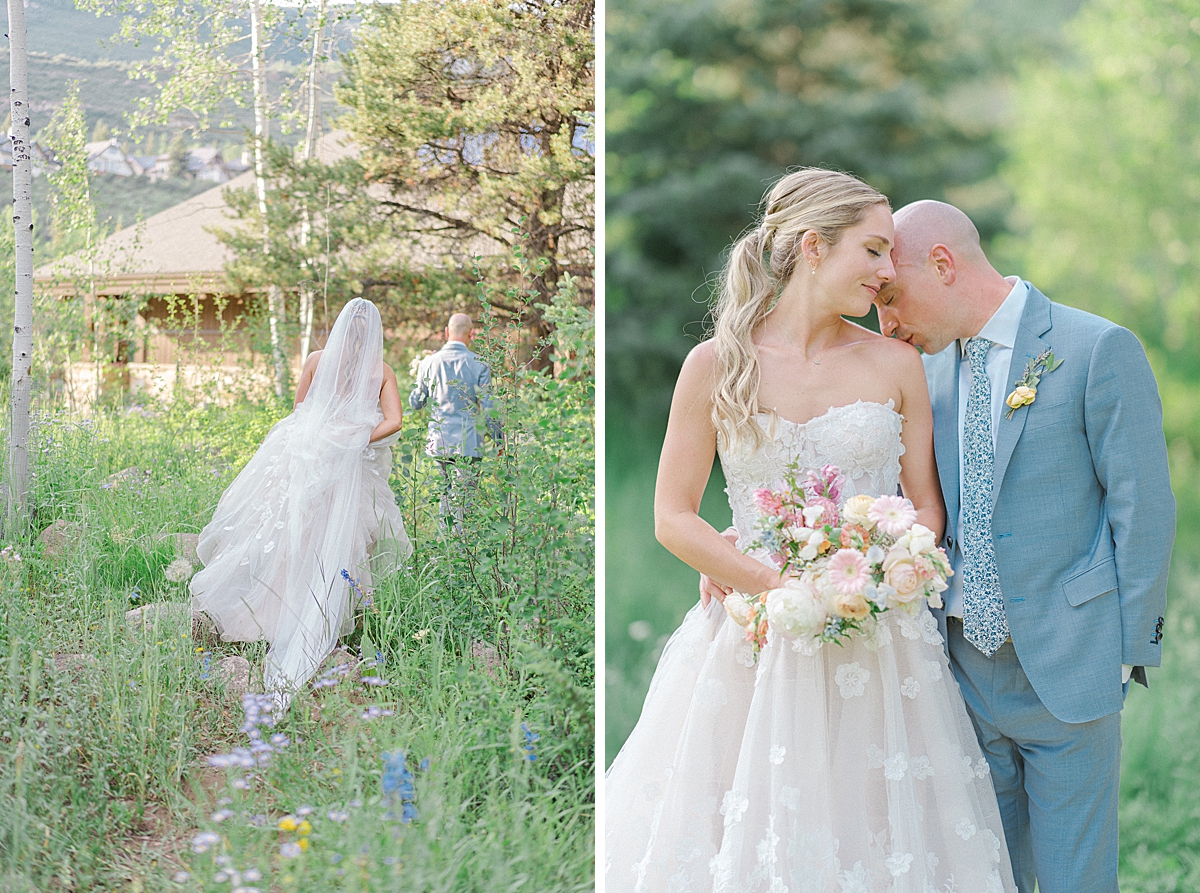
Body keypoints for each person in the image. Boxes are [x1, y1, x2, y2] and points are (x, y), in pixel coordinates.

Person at [606, 169, 1017, 893]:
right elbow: (672, 515)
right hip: (754, 635)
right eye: (874, 250)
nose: (889, 272)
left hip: (879, 639)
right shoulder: (715, 366)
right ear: (813, 247)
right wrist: (775, 583)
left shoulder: (895, 364)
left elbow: (926, 506)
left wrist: (878, 566)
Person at [869, 201, 1175, 893]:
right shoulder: (923, 373)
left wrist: (1126, 650)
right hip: (961, 678)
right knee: (982, 876)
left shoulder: (1096, 347)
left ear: (942, 265)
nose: (884, 323)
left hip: (1070, 668)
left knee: (1076, 880)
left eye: (890, 296)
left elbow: (1143, 505)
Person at [191, 298, 412, 710]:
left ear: (342, 328)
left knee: (292, 533)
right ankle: (323, 618)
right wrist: (355, 438)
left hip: (305, 457)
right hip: (346, 466)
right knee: (339, 538)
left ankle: (275, 617)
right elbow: (395, 421)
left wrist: (324, 436)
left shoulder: (315, 359)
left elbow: (298, 412)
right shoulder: (380, 372)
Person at [408, 313, 502, 525]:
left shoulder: (428, 364)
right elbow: (488, 407)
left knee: (445, 497)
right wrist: (499, 441)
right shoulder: (480, 364)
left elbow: (416, 403)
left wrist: (419, 377)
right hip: (468, 443)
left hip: (439, 441)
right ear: (472, 334)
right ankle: (460, 550)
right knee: (464, 502)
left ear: (446, 333)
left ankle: (446, 547)